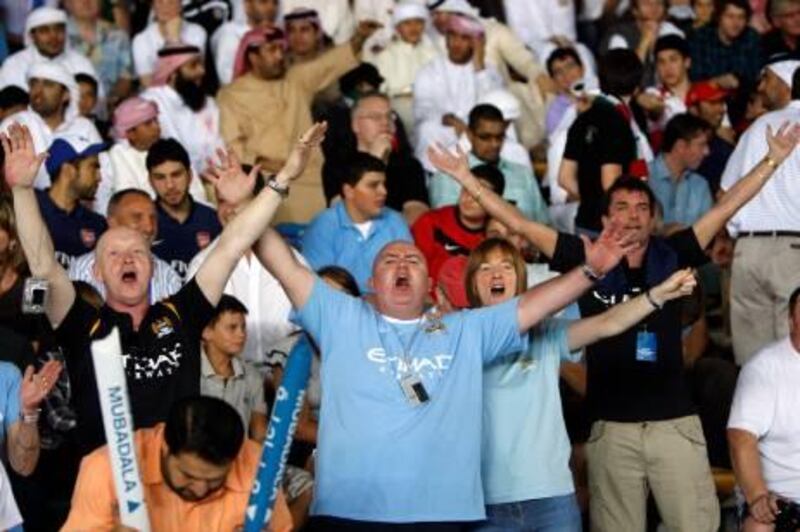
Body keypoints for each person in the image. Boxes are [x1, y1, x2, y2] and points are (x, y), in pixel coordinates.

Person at [426, 120, 800, 530]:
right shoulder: (587, 257)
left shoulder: (674, 253)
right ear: (604, 218)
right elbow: (520, 225)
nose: (633, 217)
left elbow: (726, 208)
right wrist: (465, 177)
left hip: (673, 422)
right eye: (622, 207)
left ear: (654, 217)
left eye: (642, 208)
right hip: (611, 426)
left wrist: (774, 160)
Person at [248, 182, 632, 529]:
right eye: (390, 261)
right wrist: (245, 201)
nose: (402, 265)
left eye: (413, 261)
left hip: (441, 515)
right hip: (349, 511)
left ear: (430, 285)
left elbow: (534, 306)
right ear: (371, 282)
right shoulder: (343, 316)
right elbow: (283, 264)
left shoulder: (464, 328)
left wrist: (590, 270)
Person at [2, 119, 327, 455]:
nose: (127, 260)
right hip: (108, 484)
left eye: (137, 252)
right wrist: (23, 191)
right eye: (114, 254)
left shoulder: (180, 313)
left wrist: (282, 178)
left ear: (153, 264)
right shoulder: (82, 323)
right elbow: (42, 264)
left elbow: (233, 243)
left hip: (176, 479)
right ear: (97, 271)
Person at [466, 237, 696, 532]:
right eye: (485, 268)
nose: (496, 274)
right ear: (472, 284)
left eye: (506, 267)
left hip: (552, 498)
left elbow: (607, 324)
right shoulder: (459, 335)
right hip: (485, 502)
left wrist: (657, 296)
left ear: (520, 279)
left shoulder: (545, 332)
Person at [218, 21, 379, 223]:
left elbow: (330, 64)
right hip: (267, 177)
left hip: (310, 176)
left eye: (281, 49)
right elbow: (234, 145)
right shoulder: (232, 94)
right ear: (253, 57)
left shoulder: (295, 80)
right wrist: (263, 162)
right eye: (272, 50)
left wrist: (360, 37)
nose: (279, 56)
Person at [62, 396, 293, 531]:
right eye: (189, 475)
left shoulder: (259, 464)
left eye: (215, 479)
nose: (201, 489)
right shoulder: (106, 469)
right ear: (165, 447)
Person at [720, 68, 800, 365]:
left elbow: (726, 191)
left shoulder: (759, 126)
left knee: (752, 362)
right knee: (794, 360)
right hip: (794, 254)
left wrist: (724, 239)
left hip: (749, 250)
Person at [186, 175, 304, 373]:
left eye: (241, 202)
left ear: (261, 204)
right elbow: (195, 331)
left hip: (285, 376)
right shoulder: (201, 264)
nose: (231, 210)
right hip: (229, 382)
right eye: (223, 201)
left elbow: (310, 322)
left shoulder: (294, 261)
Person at [728, 286, 800, 532]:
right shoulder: (764, 368)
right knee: (759, 526)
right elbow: (741, 438)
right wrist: (758, 497)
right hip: (782, 498)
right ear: (791, 321)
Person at [558, 49, 651, 235]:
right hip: (612, 231)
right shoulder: (618, 123)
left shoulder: (581, 119)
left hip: (584, 223)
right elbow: (610, 182)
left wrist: (591, 200)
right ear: (636, 87)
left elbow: (565, 178)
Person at [302, 153, 412, 293]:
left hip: (389, 307)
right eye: (373, 185)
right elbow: (320, 287)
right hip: (339, 309)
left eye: (384, 184)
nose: (383, 191)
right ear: (349, 191)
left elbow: (408, 277)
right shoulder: (323, 226)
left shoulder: (395, 221)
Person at [428, 104, 549, 224]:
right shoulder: (447, 177)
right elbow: (446, 226)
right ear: (470, 135)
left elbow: (544, 224)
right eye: (485, 137)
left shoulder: (523, 175)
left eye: (500, 137)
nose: (494, 144)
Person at [412, 13, 503, 171]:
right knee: (427, 129)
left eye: (464, 38)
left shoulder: (488, 71)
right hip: (446, 131)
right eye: (452, 36)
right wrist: (448, 119)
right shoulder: (429, 70)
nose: (456, 43)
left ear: (476, 43)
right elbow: (421, 108)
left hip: (479, 134)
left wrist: (479, 66)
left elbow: (495, 107)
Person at [321, 92, 429, 224]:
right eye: (375, 117)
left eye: (390, 116)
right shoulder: (337, 164)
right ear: (355, 125)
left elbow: (417, 214)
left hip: (397, 239)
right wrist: (375, 161)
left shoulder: (408, 165)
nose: (385, 122)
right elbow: (341, 214)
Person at [0, 62, 102, 190]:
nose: (38, 91)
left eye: (48, 84)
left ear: (65, 95)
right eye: (34, 83)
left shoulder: (84, 127)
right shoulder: (14, 124)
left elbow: (103, 173)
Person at [68, 189, 182, 302]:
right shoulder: (82, 270)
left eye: (153, 218)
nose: (149, 228)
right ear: (112, 222)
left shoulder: (167, 276)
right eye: (137, 218)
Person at [412, 163, 503, 296]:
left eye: (477, 193)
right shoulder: (430, 222)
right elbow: (414, 271)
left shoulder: (495, 236)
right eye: (466, 189)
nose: (469, 197)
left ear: (494, 201)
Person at [141, 44, 224, 178]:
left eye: (201, 64)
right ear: (172, 73)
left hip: (214, 177)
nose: (202, 71)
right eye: (193, 66)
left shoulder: (207, 102)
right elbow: (171, 151)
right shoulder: (152, 102)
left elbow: (217, 143)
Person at [146, 138, 220, 279]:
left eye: (176, 175)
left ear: (190, 176)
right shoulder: (144, 223)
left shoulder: (213, 219)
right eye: (160, 177)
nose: (170, 185)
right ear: (150, 180)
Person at [35, 132, 107, 269]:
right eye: (93, 167)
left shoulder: (97, 224)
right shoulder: (29, 208)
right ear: (68, 170)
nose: (99, 177)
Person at [200, 295, 268, 441]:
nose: (241, 334)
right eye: (232, 327)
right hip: (200, 461)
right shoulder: (187, 373)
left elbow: (259, 433)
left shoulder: (252, 375)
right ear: (206, 332)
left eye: (243, 327)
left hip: (241, 460)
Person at [368, 2, 440, 135]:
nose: (414, 28)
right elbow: (380, 91)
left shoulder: (434, 53)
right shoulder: (386, 55)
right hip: (398, 109)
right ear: (398, 28)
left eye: (418, 22)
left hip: (432, 108)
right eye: (407, 23)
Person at [0, 7, 98, 92]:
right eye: (44, 31)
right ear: (32, 36)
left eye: (59, 30)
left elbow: (96, 103)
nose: (53, 37)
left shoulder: (81, 63)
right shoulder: (14, 65)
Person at [648, 113, 714, 230]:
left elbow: (708, 230)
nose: (707, 152)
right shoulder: (644, 177)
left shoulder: (700, 185)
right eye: (701, 145)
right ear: (680, 146)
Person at [64, 0, 133, 104]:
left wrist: (112, 100)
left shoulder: (118, 35)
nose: (86, 2)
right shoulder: (57, 38)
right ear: (67, 4)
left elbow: (126, 77)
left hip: (110, 107)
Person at [688, 0, 763, 93]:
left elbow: (756, 77)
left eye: (741, 17)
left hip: (744, 98)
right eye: (730, 16)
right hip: (708, 97)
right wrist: (717, 82)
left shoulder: (752, 38)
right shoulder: (701, 38)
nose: (736, 23)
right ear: (719, 17)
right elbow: (695, 79)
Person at [131, 0, 207, 86]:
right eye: (160, 2)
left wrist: (175, 40)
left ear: (180, 5)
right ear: (153, 6)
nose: (165, 7)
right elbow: (148, 85)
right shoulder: (141, 40)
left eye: (171, 2)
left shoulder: (197, 32)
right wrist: (172, 41)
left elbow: (196, 81)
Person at [210, 0, 278, 85]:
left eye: (275, 3)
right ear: (247, 5)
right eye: (263, 2)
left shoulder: (277, 35)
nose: (271, 8)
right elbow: (228, 82)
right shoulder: (230, 34)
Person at [687, 81, 737, 195]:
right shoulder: (677, 144)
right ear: (694, 109)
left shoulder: (725, 150)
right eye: (713, 103)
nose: (721, 109)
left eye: (722, 103)